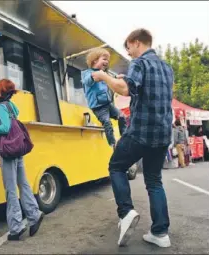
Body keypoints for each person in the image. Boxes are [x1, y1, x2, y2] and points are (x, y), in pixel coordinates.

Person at [91, 29, 173, 248]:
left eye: (128, 48)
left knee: (116, 166)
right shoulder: (167, 68)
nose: (128, 53)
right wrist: (122, 78)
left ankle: (126, 212)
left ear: (136, 43)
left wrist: (103, 76)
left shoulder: (139, 63)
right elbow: (143, 88)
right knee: (154, 180)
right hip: (162, 135)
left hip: (140, 132)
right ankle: (160, 233)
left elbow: (126, 89)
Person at [0, 71, 44, 241]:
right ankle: (34, 215)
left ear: (0, 91)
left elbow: (5, 128)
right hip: (17, 150)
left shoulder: (0, 107)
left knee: (11, 190)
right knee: (24, 184)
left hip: (8, 153)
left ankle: (15, 227)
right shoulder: (9, 105)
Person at [81, 48, 127, 149]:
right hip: (98, 107)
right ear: (95, 60)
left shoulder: (104, 73)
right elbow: (87, 81)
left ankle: (124, 138)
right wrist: (93, 76)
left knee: (122, 116)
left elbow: (111, 81)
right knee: (107, 122)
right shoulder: (87, 73)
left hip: (107, 104)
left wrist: (116, 79)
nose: (106, 62)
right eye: (104, 59)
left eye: (107, 60)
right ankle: (112, 144)